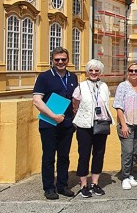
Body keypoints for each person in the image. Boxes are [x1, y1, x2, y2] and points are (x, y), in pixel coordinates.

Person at [32, 46, 79, 200]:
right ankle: (49, 187)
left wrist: (75, 118)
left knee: (64, 156)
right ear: (52, 60)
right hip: (49, 123)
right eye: (57, 59)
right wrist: (53, 116)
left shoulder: (72, 77)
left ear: (68, 60)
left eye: (63, 59)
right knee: (49, 157)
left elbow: (75, 100)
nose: (60, 62)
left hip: (66, 123)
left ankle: (62, 185)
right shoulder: (44, 77)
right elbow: (37, 100)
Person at [72, 59, 112, 197]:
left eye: (96, 70)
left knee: (99, 154)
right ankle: (83, 184)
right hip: (85, 125)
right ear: (87, 71)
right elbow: (75, 103)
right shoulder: (81, 86)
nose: (94, 73)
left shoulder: (104, 86)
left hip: (100, 123)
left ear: (100, 72)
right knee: (84, 155)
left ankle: (95, 183)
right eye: (91, 70)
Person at [114, 61, 137, 190]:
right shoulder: (123, 86)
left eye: (136, 71)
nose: (133, 73)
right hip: (127, 123)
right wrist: (123, 125)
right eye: (131, 71)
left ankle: (130, 174)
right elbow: (118, 106)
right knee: (127, 151)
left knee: (135, 151)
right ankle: (125, 176)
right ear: (127, 72)